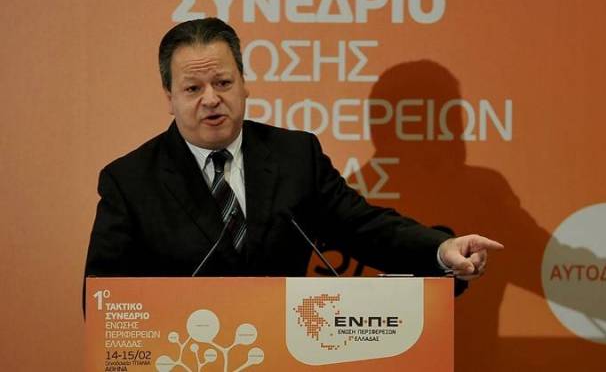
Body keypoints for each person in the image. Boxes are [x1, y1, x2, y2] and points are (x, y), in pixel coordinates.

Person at [85, 18, 502, 283]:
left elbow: (364, 228)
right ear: (170, 97)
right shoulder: (130, 181)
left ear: (244, 84)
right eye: (193, 88)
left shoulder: (294, 156)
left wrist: (439, 249)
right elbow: (106, 300)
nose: (211, 99)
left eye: (223, 83)